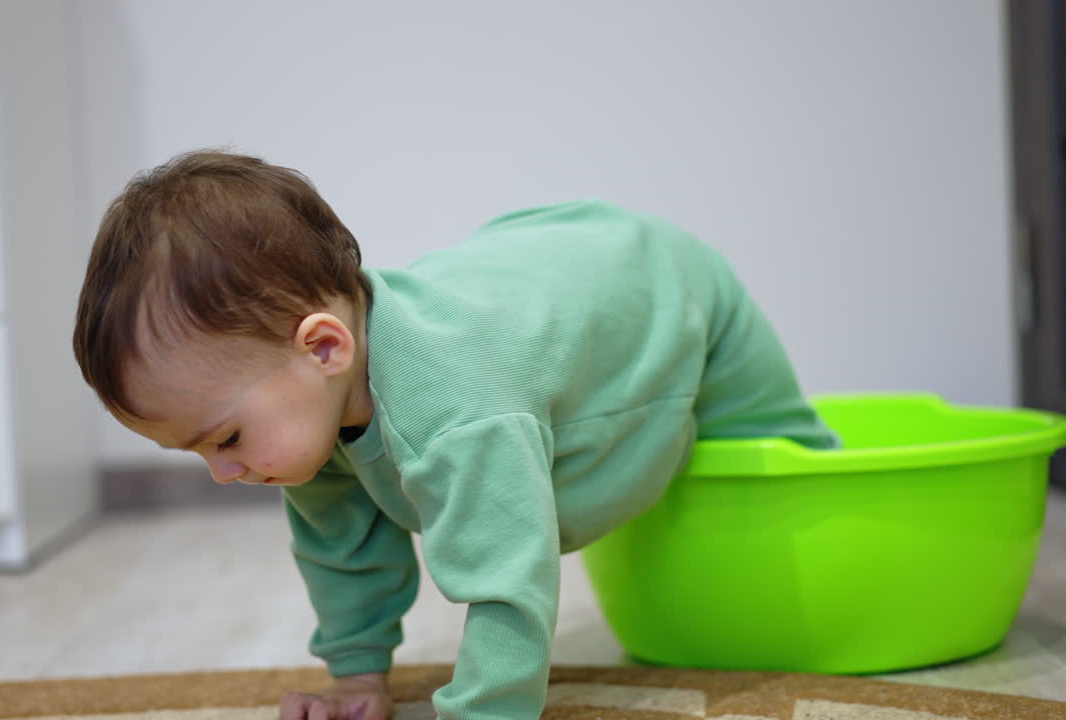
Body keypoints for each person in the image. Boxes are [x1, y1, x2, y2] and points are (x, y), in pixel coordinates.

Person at [72, 150, 838, 720]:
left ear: (325, 346)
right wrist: (360, 682)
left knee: (783, 462)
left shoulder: (460, 411)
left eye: (226, 437)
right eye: (200, 451)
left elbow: (510, 584)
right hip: (541, 272)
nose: (221, 471)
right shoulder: (310, 402)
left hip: (669, 283)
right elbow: (343, 553)